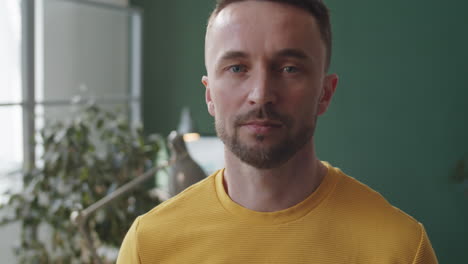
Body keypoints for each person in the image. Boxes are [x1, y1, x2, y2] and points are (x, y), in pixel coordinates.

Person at [117, 0, 438, 263]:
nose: (261, 93)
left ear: (325, 93)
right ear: (210, 94)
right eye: (237, 68)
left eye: (289, 68)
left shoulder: (400, 249)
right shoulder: (150, 246)